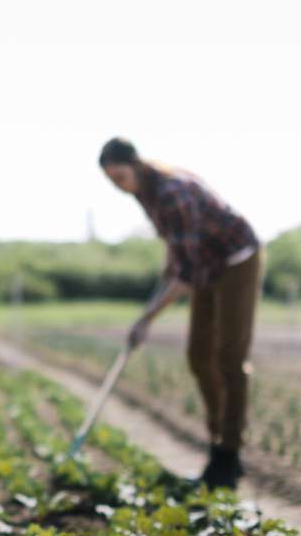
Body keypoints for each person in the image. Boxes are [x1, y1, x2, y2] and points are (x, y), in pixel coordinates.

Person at [98, 137, 262, 490]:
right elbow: (178, 248)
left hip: (236, 260)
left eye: (120, 176)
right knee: (199, 357)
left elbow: (185, 276)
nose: (118, 186)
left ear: (136, 164)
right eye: (111, 180)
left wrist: (146, 319)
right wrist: (166, 273)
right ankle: (217, 439)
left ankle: (228, 456)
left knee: (229, 358)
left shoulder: (173, 191)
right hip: (205, 265)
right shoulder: (143, 192)